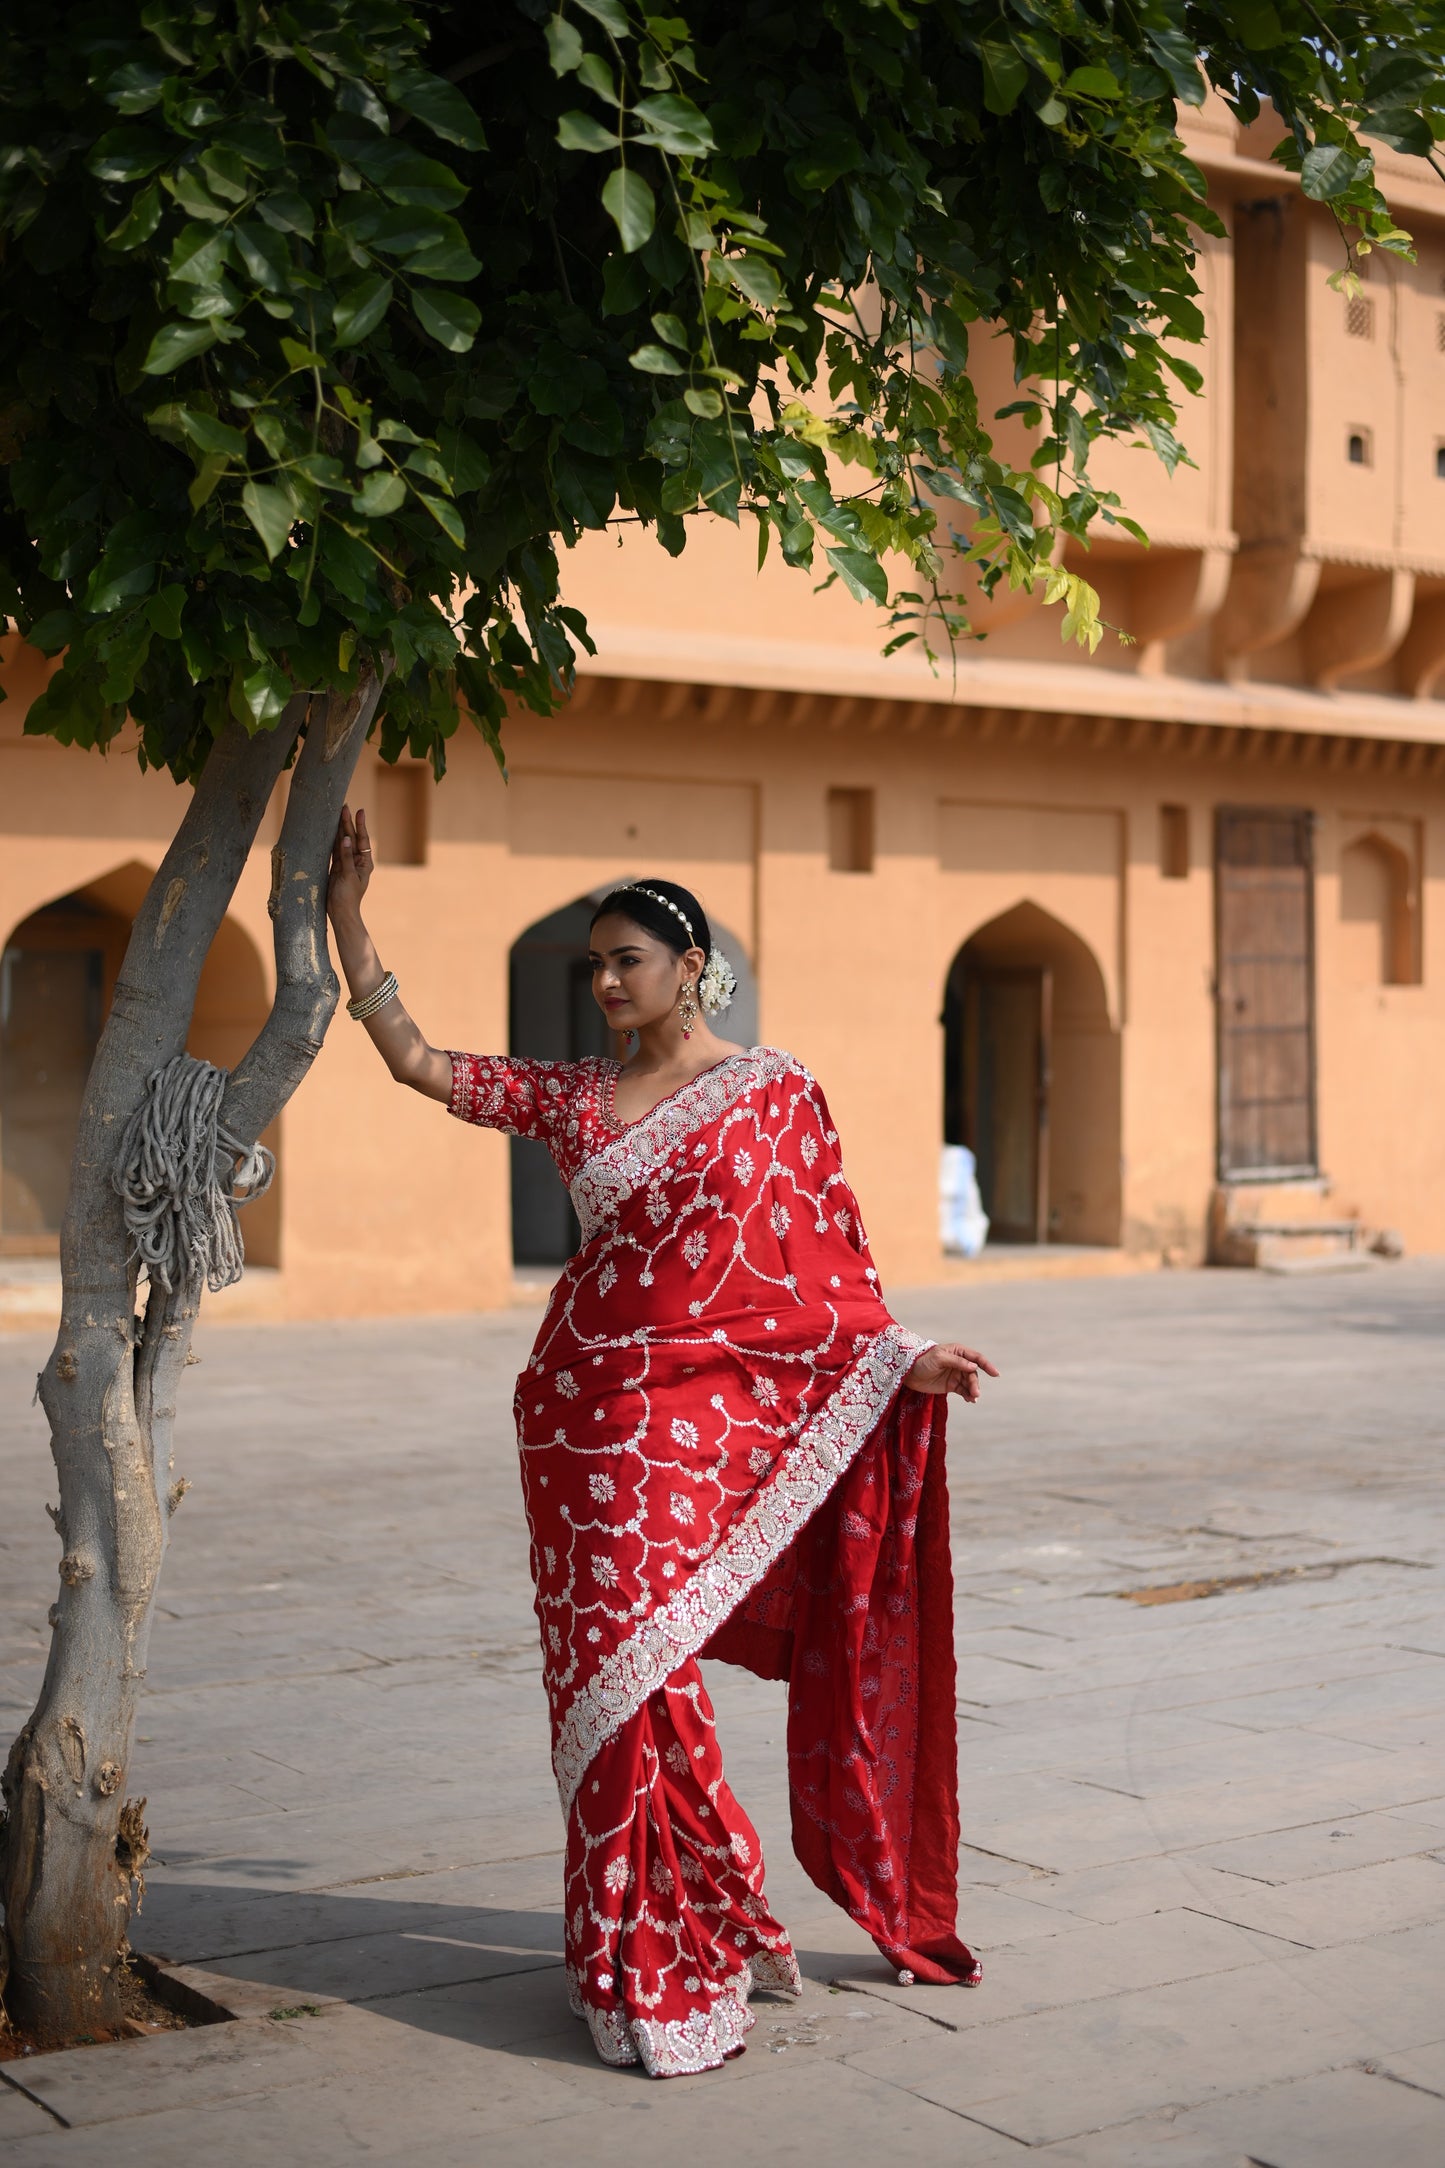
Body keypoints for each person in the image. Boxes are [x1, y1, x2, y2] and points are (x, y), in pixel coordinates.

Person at [326, 805, 999, 2079]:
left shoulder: (772, 1091)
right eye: (591, 963)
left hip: (688, 1434)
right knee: (611, 1683)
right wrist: (345, 921)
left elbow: (818, 1276)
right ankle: (652, 1942)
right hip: (580, 1429)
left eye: (623, 958)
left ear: (690, 964)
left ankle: (696, 1926)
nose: (602, 982)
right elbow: (421, 1064)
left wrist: (900, 1357)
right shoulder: (576, 1095)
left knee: (651, 1673)